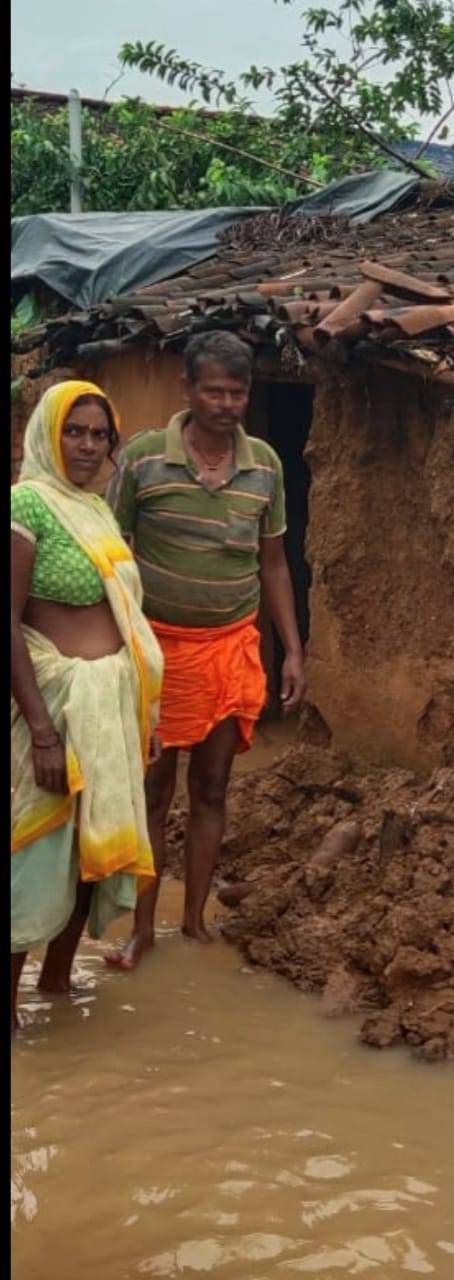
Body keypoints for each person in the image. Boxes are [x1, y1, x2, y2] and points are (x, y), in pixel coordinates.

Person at [105, 331, 306, 969]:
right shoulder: (142, 460)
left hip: (230, 647)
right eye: (214, 390)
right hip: (158, 655)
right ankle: (141, 929)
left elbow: (273, 563)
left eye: (238, 392)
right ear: (187, 390)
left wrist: (293, 650)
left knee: (213, 789)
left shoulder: (266, 466)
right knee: (155, 791)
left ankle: (191, 922)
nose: (226, 403)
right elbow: (112, 556)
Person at [11, 381, 164, 1031]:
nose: (88, 445)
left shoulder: (98, 509)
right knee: (34, 854)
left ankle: (58, 986)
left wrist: (141, 720)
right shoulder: (28, 504)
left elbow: (123, 616)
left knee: (87, 859)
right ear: (48, 433)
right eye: (75, 431)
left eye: (101, 434)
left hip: (111, 710)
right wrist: (43, 732)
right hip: (54, 709)